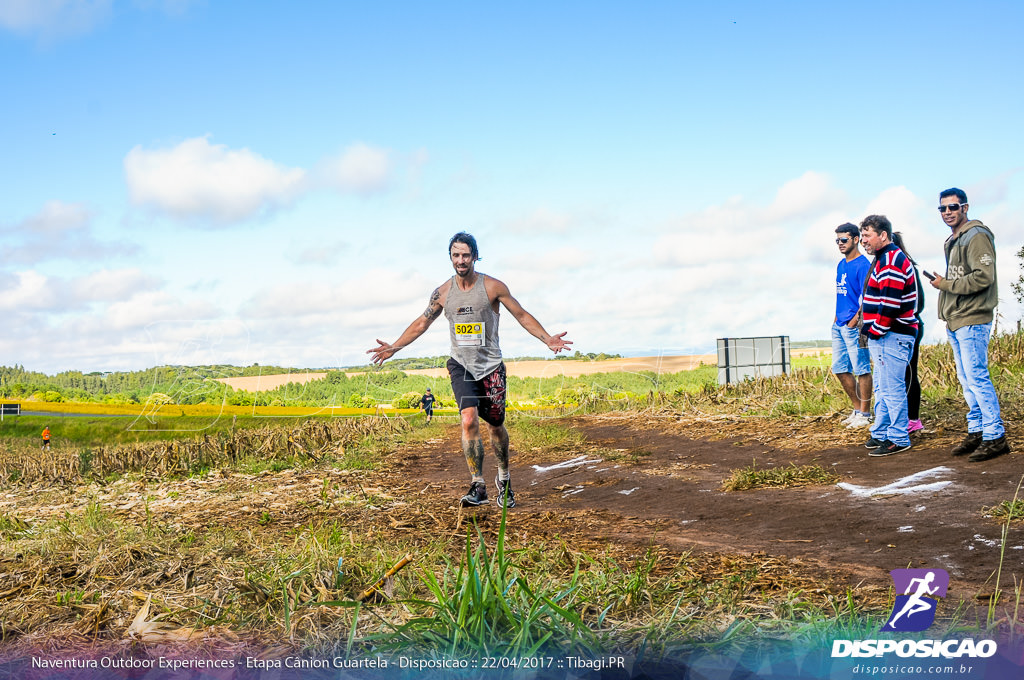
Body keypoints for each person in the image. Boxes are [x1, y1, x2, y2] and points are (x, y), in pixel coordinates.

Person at [368, 232, 572, 507]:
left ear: (475, 256)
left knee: (496, 426)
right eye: (455, 255)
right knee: (468, 420)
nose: (460, 260)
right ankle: (478, 485)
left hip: (490, 367)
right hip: (461, 366)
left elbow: (521, 314)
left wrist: (547, 339)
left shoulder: (493, 287)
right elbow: (421, 323)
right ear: (450, 257)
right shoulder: (442, 293)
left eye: (465, 255)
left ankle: (504, 479)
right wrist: (395, 347)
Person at [929, 188, 1009, 461]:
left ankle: (995, 436)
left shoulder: (976, 236)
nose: (948, 212)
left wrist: (945, 285)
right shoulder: (953, 239)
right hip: (956, 318)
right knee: (966, 380)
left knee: (977, 377)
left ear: (965, 207)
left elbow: (983, 277)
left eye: (953, 207)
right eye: (943, 209)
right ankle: (977, 430)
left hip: (973, 317)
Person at [859, 215, 918, 457]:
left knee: (892, 388)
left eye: (867, 235)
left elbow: (890, 303)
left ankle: (898, 437)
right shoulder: (884, 259)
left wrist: (875, 330)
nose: (864, 241)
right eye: (862, 236)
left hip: (892, 335)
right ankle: (882, 432)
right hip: (885, 336)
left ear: (883, 235)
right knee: (882, 388)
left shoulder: (892, 260)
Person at [832, 223, 873, 428]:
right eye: (837, 240)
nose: (840, 244)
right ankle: (857, 409)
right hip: (839, 324)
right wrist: (836, 317)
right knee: (839, 368)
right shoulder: (841, 264)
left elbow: (868, 296)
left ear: (856, 239)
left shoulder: (863, 264)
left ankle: (865, 414)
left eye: (844, 240)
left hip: (855, 325)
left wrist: (855, 319)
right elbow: (842, 293)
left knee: (861, 368)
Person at [891, 232, 925, 434]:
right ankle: (902, 418)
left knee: (909, 373)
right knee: (896, 376)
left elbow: (918, 303)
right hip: (892, 330)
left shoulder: (907, 267)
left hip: (907, 328)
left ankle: (913, 419)